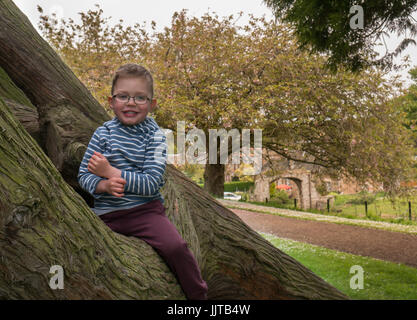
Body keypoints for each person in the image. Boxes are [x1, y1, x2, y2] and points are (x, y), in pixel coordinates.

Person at [78, 63, 208, 300]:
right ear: (111, 101)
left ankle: (198, 296)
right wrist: (103, 185)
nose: (130, 103)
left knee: (176, 248)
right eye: (123, 96)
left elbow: (152, 183)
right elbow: (84, 175)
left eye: (140, 98)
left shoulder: (156, 137)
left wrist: (112, 173)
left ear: (152, 104)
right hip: (105, 215)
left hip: (145, 214)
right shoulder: (102, 134)